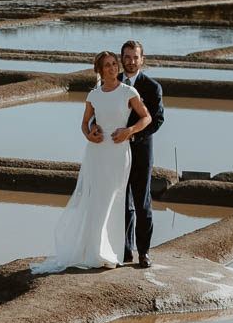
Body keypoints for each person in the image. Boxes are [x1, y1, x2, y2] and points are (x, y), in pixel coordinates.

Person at [32, 51, 151, 273]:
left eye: (115, 64)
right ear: (100, 69)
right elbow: (85, 122)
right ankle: (94, 251)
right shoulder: (93, 95)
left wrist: (129, 131)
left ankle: (110, 252)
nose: (113, 68)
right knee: (96, 199)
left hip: (118, 151)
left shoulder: (129, 91)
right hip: (96, 152)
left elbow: (147, 117)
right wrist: (89, 133)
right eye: (108, 65)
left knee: (113, 201)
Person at [118, 39, 164, 269]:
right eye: (127, 57)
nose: (131, 61)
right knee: (121, 203)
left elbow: (157, 120)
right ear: (121, 59)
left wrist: (133, 136)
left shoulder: (152, 87)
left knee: (141, 202)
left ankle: (143, 252)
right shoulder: (111, 83)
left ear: (141, 59)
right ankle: (124, 251)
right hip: (114, 153)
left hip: (140, 151)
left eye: (135, 57)